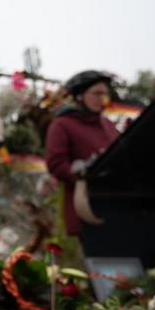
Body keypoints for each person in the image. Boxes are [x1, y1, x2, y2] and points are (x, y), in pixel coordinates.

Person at [45, 70, 120, 236]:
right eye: (96, 93)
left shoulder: (108, 125)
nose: (102, 99)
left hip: (116, 205)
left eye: (105, 94)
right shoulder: (63, 124)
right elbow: (55, 163)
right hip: (84, 208)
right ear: (80, 96)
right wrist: (82, 174)